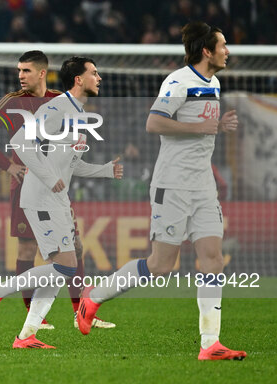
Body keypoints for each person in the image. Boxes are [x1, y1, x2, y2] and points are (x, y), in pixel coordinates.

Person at [76, 22, 247, 361]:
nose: (229, 51)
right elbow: (153, 122)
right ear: (207, 51)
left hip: (203, 186)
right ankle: (92, 297)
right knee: (161, 265)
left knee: (213, 259)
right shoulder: (178, 81)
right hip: (172, 185)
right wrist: (202, 127)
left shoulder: (213, 82)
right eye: (223, 45)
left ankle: (210, 344)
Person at [0, 57, 123, 348]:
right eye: (94, 73)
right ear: (79, 80)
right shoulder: (56, 108)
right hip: (41, 196)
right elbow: (21, 142)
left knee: (60, 269)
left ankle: (26, 336)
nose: (100, 78)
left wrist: (105, 170)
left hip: (55, 198)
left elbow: (73, 164)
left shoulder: (78, 114)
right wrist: (48, 177)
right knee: (66, 267)